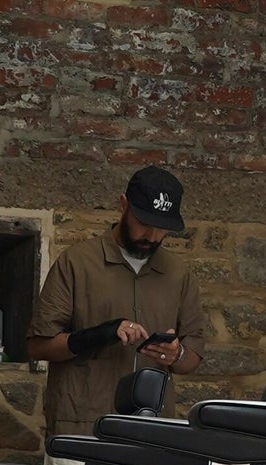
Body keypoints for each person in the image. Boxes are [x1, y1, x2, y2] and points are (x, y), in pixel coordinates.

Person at [26, 166, 206, 441]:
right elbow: (38, 345)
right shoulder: (76, 263)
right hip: (81, 432)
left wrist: (177, 355)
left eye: (162, 228)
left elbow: (193, 355)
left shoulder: (179, 274)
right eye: (144, 222)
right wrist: (99, 335)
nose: (153, 236)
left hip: (152, 435)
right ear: (123, 205)